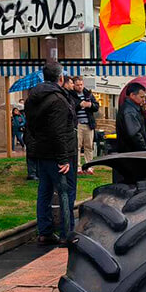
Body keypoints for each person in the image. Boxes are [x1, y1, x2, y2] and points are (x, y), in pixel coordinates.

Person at [25, 62, 77, 245]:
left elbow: (32, 126)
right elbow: (58, 131)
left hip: (42, 150)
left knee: (45, 191)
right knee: (65, 192)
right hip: (58, 152)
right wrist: (63, 158)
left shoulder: (33, 97)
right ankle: (66, 233)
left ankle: (45, 231)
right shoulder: (58, 99)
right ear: (60, 78)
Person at [70, 76, 99, 175]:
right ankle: (78, 167)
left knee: (89, 146)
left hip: (88, 124)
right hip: (77, 124)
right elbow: (70, 107)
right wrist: (80, 105)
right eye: (77, 85)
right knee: (77, 146)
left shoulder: (88, 94)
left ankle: (89, 166)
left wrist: (90, 105)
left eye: (81, 84)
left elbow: (96, 106)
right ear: (74, 85)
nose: (80, 87)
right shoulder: (71, 94)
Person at [116, 82, 146, 155]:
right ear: (132, 95)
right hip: (132, 152)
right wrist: (145, 150)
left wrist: (144, 112)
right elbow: (135, 134)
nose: (144, 100)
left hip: (133, 152)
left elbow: (142, 126)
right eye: (141, 97)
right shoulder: (129, 111)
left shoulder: (134, 108)